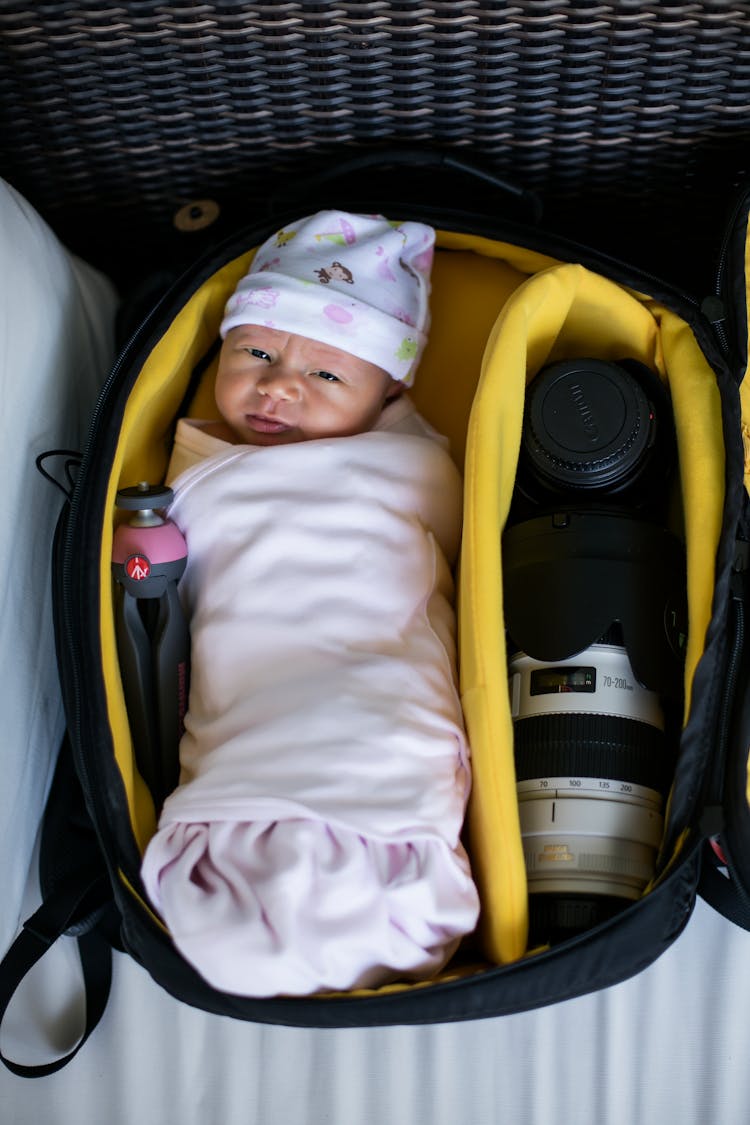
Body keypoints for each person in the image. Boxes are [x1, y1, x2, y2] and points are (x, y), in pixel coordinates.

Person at [141, 210, 480, 997]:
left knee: (387, 720)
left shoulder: (407, 466)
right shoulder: (203, 461)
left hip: (375, 709)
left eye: (327, 376)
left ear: (390, 392)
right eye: (253, 351)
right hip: (250, 713)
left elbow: (446, 533)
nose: (277, 385)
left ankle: (368, 859)